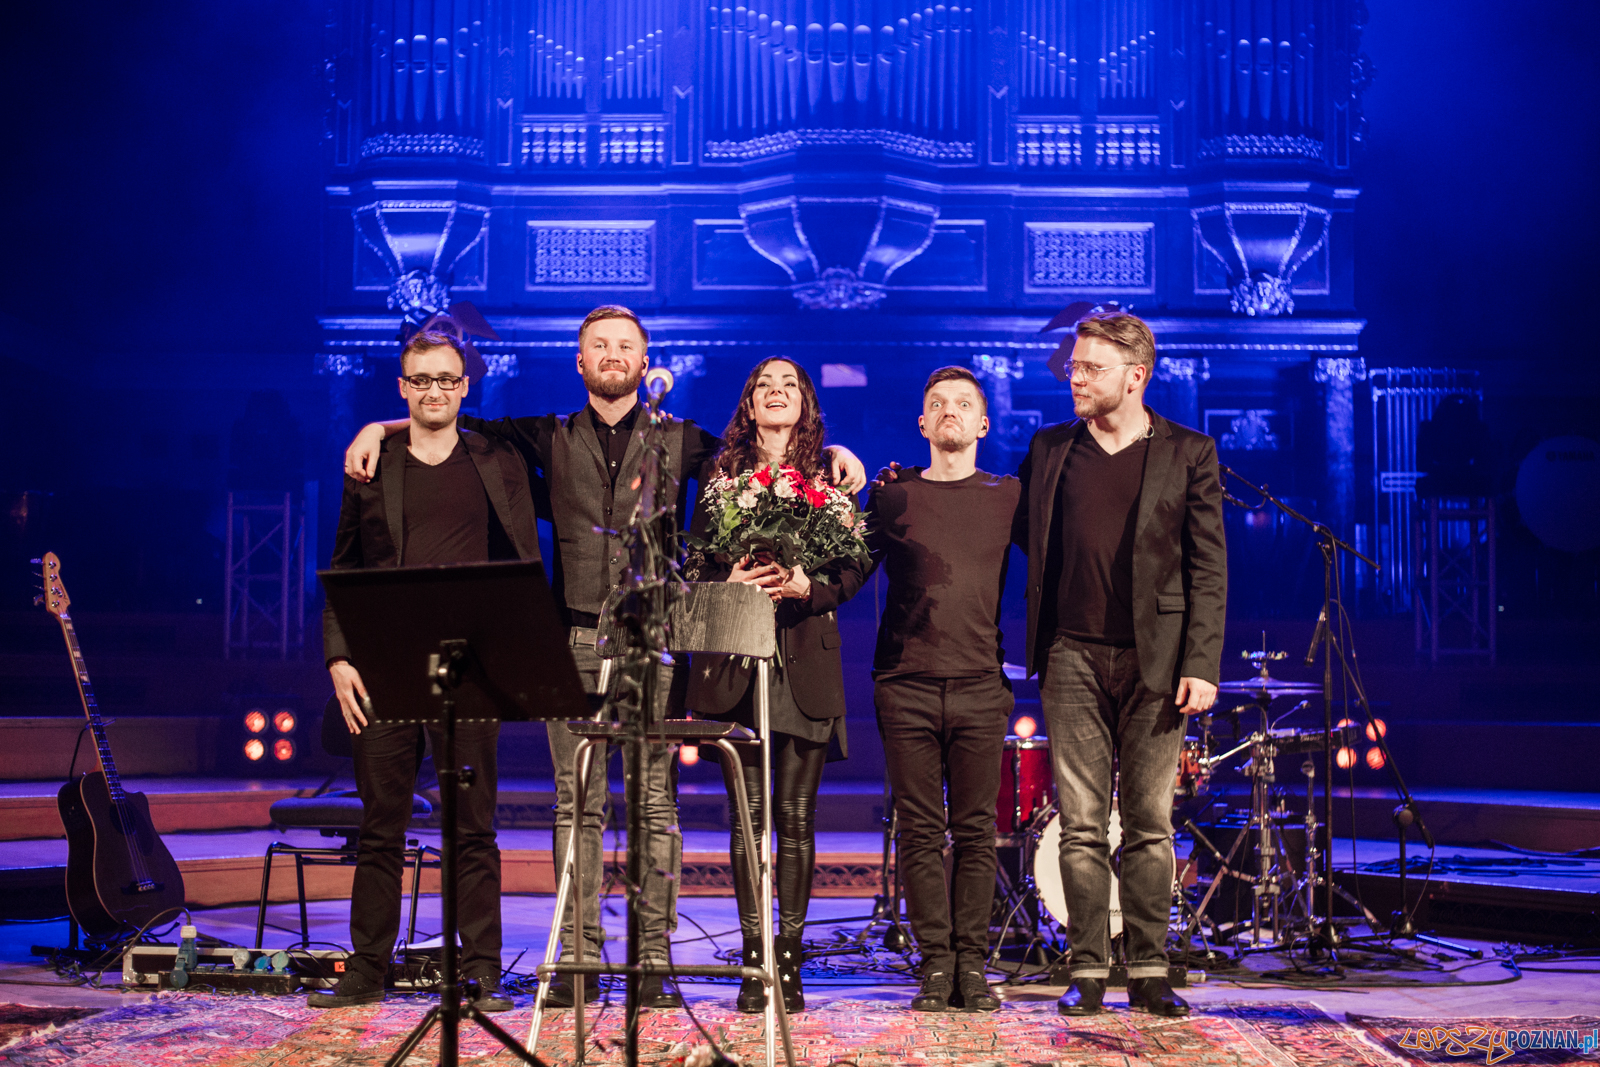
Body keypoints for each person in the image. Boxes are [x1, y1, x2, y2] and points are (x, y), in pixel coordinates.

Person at [343, 308, 867, 1009]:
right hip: (575, 640)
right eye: (600, 346)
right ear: (580, 360)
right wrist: (379, 425)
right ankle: (578, 959)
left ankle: (653, 960)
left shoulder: (684, 441)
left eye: (625, 346)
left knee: (654, 801)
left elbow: (766, 456)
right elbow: (449, 427)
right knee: (576, 801)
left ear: (645, 358)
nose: (613, 355)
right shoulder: (545, 437)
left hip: (656, 642)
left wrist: (838, 456)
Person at [312, 330, 538, 1011]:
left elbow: (523, 562)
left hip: (471, 667)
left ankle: (480, 971)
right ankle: (365, 969)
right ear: (402, 387)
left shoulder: (498, 459)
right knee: (380, 824)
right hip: (382, 664)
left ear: (466, 384)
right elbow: (343, 565)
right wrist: (338, 656)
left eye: (447, 378)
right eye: (421, 380)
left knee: (473, 826)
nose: (435, 389)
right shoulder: (371, 467)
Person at [1016, 312, 1227, 1018]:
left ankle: (1149, 967)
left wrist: (1201, 660)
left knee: (1148, 821)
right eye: (1073, 366)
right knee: (1079, 822)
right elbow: (1000, 523)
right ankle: (1085, 970)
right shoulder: (1049, 449)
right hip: (1070, 653)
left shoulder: (1189, 452)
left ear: (1136, 376)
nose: (1074, 377)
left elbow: (1209, 568)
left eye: (1091, 368)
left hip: (1158, 662)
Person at [685, 357, 868, 1015]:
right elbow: (694, 561)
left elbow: (854, 568)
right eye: (764, 384)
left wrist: (807, 588)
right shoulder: (721, 478)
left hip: (806, 663)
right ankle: (754, 957)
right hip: (737, 664)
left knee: (794, 818)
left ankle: (788, 963)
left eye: (789, 384)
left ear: (807, 403)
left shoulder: (834, 479)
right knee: (747, 819)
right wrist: (726, 582)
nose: (776, 392)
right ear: (749, 404)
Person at [864, 367, 1018, 1013]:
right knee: (921, 831)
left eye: (962, 404)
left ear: (983, 423)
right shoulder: (892, 494)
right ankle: (934, 965)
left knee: (977, 832)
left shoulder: (1010, 494)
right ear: (922, 424)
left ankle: (972, 966)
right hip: (905, 683)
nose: (949, 412)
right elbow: (848, 567)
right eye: (936, 405)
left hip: (982, 682)